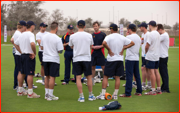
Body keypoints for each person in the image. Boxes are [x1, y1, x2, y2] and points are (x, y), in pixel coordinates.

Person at [96, 24, 134, 100]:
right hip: (120, 59)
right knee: (117, 77)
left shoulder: (109, 36)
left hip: (111, 60)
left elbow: (104, 43)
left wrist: (109, 50)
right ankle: (115, 95)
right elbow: (132, 43)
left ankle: (103, 95)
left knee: (106, 76)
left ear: (111, 29)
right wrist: (124, 48)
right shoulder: (122, 37)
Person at [69, 20, 96, 102]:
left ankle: (81, 97)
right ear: (84, 26)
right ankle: (90, 95)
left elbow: (71, 46)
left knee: (78, 77)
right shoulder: (89, 35)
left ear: (77, 26)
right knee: (89, 77)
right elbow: (91, 46)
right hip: (86, 58)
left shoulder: (72, 36)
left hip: (77, 58)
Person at [14, 21, 40, 98]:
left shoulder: (22, 34)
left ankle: (20, 91)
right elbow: (32, 44)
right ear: (32, 26)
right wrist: (34, 53)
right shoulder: (31, 34)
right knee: (30, 74)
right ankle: (30, 93)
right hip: (29, 56)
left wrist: (21, 51)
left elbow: (15, 43)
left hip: (22, 55)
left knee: (22, 73)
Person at [41, 22, 63, 101]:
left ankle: (46, 94)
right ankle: (50, 95)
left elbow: (42, 47)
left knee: (47, 76)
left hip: (46, 58)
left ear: (50, 28)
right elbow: (60, 50)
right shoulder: (57, 38)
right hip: (54, 59)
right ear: (56, 28)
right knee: (52, 77)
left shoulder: (44, 37)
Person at [119, 24, 142, 97]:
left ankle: (128, 93)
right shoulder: (138, 37)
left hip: (130, 58)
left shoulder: (128, 37)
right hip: (136, 58)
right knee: (137, 75)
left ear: (129, 29)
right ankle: (139, 91)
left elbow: (123, 45)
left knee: (129, 76)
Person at [144, 21, 162, 95]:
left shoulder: (151, 34)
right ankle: (158, 89)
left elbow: (147, 45)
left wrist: (145, 53)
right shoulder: (158, 33)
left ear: (150, 25)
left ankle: (153, 90)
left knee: (151, 73)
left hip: (151, 55)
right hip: (157, 56)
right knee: (156, 72)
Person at [11, 21, 27, 90]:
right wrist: (20, 50)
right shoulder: (19, 33)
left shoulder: (17, 32)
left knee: (18, 69)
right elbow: (13, 41)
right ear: (23, 26)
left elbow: (12, 40)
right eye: (25, 26)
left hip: (17, 53)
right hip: (19, 54)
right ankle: (17, 85)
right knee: (20, 70)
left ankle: (18, 85)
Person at [157, 24, 170, 93]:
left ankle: (166, 88)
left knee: (164, 73)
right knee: (162, 73)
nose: (157, 32)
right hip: (162, 56)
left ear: (160, 30)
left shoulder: (164, 35)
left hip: (163, 56)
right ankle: (164, 86)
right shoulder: (164, 35)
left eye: (157, 30)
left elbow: (156, 40)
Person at [138, 22, 151, 90]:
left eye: (140, 27)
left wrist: (146, 54)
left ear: (144, 27)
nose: (139, 28)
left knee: (143, 69)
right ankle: (148, 84)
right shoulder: (143, 34)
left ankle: (143, 85)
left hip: (147, 55)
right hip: (143, 54)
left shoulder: (148, 34)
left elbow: (148, 45)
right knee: (146, 69)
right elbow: (142, 43)